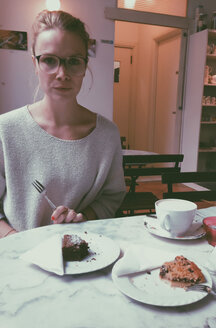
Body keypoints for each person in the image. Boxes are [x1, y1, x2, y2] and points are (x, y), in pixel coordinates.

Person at [0, 10, 126, 238]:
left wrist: (82, 218)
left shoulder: (107, 135)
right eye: (49, 60)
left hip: (85, 256)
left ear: (85, 66)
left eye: (74, 61)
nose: (62, 73)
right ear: (35, 63)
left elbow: (111, 196)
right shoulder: (5, 129)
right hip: (17, 260)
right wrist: (16, 240)